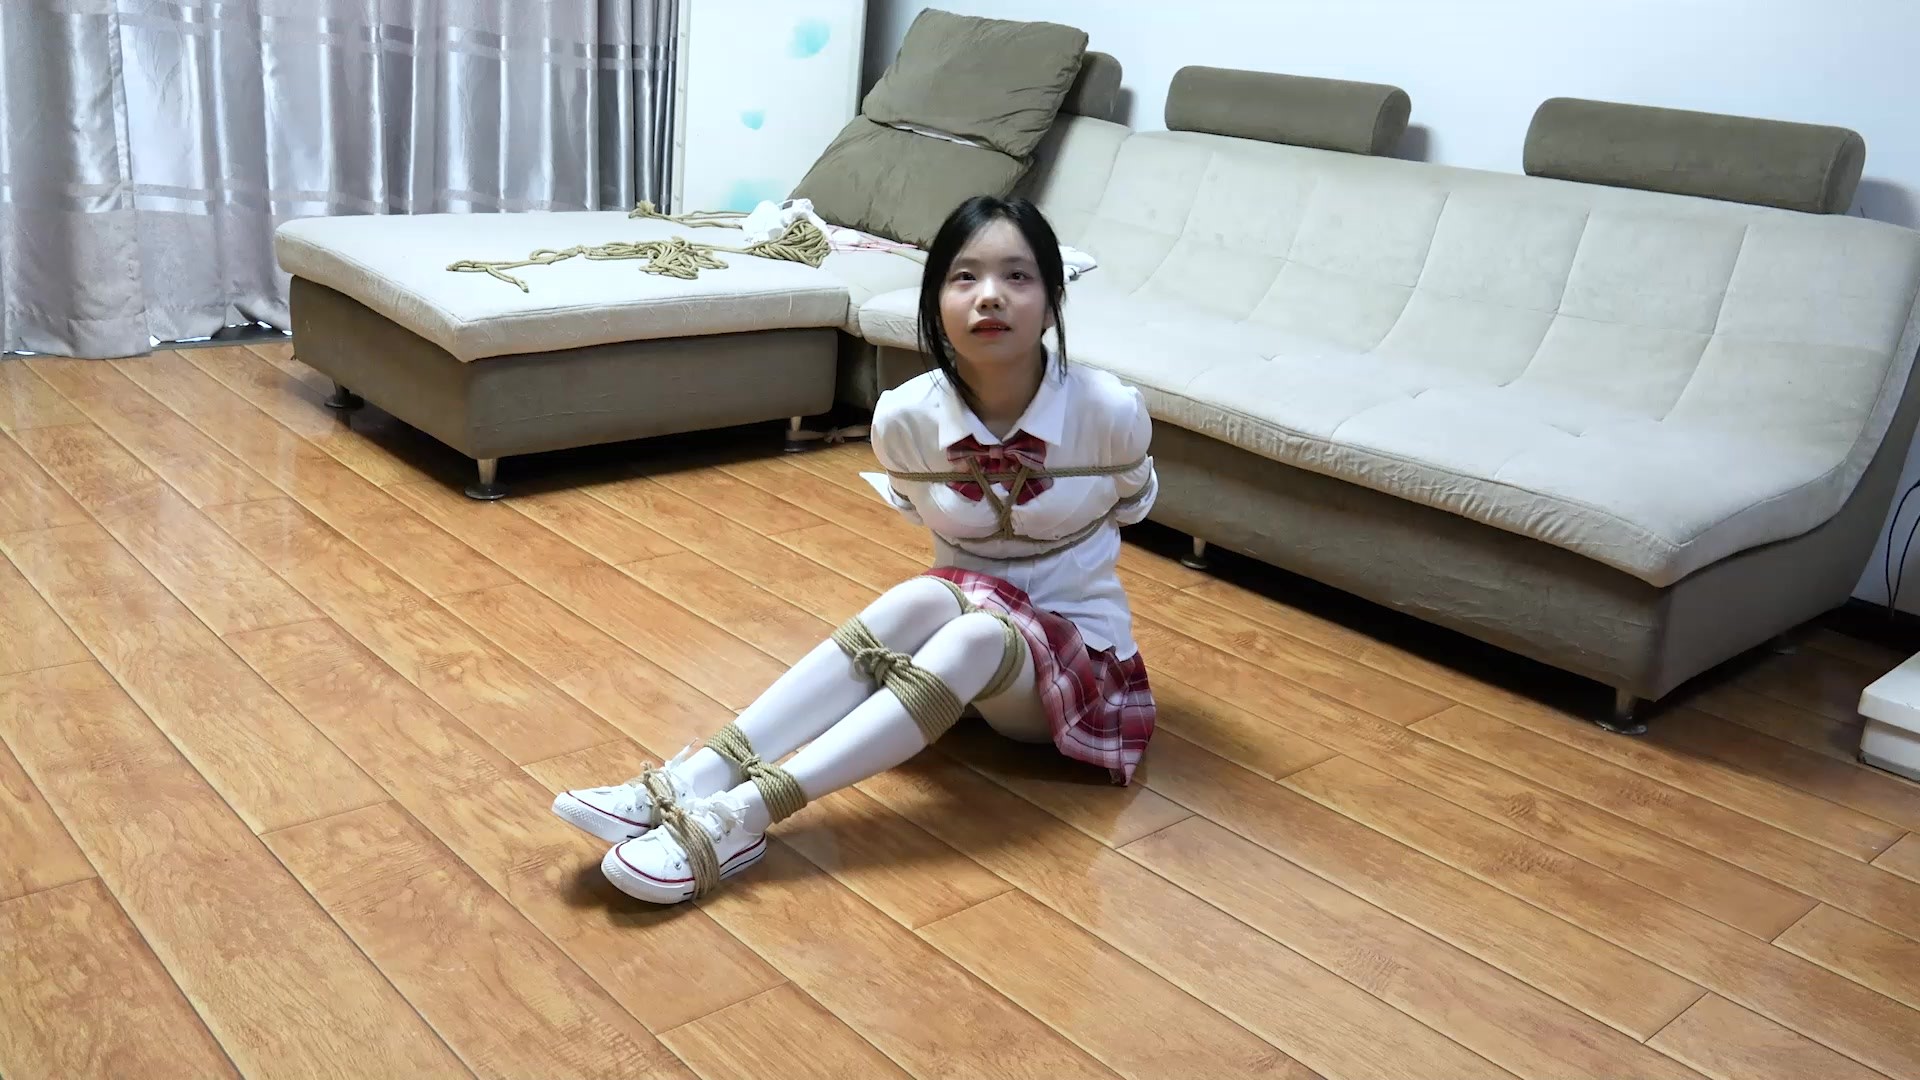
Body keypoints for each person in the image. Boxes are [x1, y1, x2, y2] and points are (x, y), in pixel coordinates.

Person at [551, 194, 1160, 905]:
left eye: (1017, 277)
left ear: (1053, 300)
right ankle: (698, 777)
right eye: (964, 277)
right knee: (929, 595)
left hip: (1076, 664)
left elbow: (1132, 505)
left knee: (974, 633)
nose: (989, 296)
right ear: (936, 304)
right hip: (952, 652)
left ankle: (744, 817)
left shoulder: (1109, 411)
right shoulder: (905, 418)